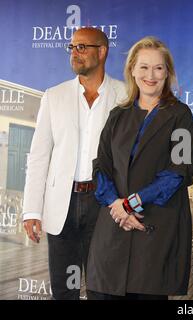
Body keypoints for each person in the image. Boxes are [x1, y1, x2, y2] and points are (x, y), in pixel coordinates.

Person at [86, 36, 193, 300]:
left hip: (153, 233)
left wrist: (130, 204)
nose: (151, 75)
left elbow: (177, 172)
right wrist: (116, 204)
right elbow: (101, 165)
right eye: (144, 67)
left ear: (167, 72)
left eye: (159, 68)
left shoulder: (181, 115)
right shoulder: (117, 115)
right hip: (112, 232)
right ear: (132, 70)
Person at [22, 27, 126, 300]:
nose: (74, 53)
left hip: (105, 204)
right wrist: (32, 208)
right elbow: (39, 155)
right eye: (72, 47)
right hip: (62, 205)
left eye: (82, 47)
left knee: (103, 287)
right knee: (65, 289)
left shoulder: (126, 96)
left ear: (102, 52)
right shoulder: (53, 96)